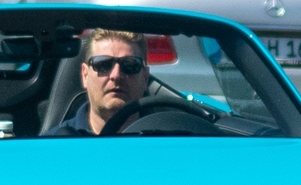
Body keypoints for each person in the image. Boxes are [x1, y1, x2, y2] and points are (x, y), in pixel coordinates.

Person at [44, 28, 191, 135]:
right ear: (85, 75)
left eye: (130, 65)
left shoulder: (172, 142)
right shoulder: (52, 147)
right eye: (103, 64)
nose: (116, 75)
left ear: (145, 77)